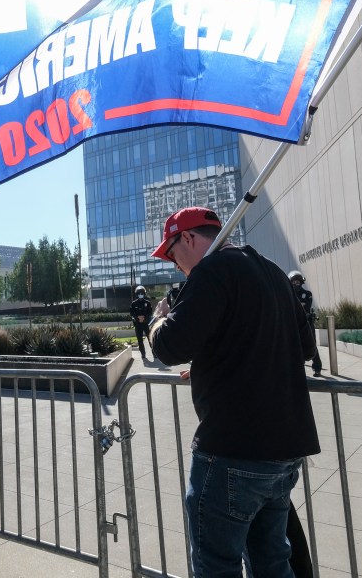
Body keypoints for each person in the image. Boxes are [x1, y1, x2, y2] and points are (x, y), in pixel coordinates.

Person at [147, 206, 320, 577]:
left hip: (232, 454)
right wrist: (213, 367)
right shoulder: (273, 272)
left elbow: (168, 346)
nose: (176, 265)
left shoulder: (211, 272)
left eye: (173, 253)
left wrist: (157, 319)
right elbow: (302, 347)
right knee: (272, 561)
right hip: (285, 452)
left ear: (189, 238)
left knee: (216, 566)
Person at [289, 270, 324, 377]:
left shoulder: (307, 294)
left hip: (307, 323)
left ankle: (317, 367)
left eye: (297, 282)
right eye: (293, 282)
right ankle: (298, 367)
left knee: (312, 344)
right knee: (294, 346)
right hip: (293, 323)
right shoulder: (288, 294)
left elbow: (306, 307)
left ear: (301, 282)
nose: (296, 284)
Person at [129, 286, 153, 360]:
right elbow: (131, 313)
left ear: (144, 294)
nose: (140, 294)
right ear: (136, 294)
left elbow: (150, 312)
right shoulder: (134, 303)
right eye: (139, 293)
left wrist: (144, 317)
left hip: (146, 324)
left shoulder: (147, 303)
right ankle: (143, 354)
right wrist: (137, 317)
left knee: (150, 338)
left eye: (142, 293)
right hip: (138, 324)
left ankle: (154, 353)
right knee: (139, 340)